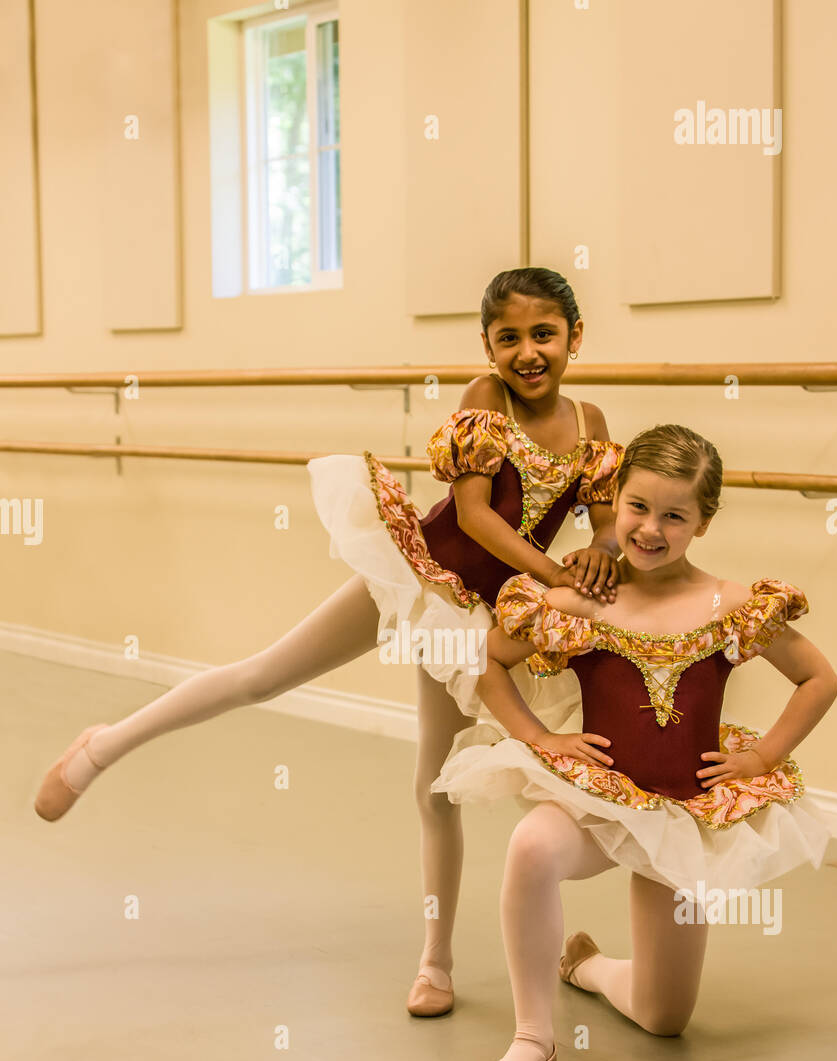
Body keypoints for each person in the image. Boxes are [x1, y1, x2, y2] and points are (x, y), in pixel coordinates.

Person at [34, 267, 624, 1018]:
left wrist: (603, 547)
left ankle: (436, 961)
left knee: (435, 784)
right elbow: (474, 517)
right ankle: (101, 747)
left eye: (544, 334)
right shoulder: (486, 399)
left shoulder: (591, 420)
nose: (528, 352)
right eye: (509, 337)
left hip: (482, 616)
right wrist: (551, 576)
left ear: (577, 336)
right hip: (424, 575)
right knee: (264, 677)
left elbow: (603, 516)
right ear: (487, 345)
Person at [431, 423, 837, 1061]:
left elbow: (819, 679)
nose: (651, 529)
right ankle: (532, 1042)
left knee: (664, 1019)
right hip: (600, 800)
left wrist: (765, 753)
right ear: (615, 502)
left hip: (685, 813)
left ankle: (587, 967)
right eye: (638, 508)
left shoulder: (730, 604)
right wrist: (540, 739)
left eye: (674, 515)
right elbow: (493, 667)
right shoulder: (579, 599)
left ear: (703, 522)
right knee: (532, 846)